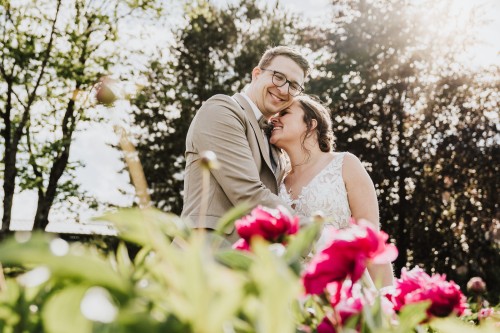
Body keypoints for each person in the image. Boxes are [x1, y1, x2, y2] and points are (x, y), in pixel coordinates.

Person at [181, 46, 310, 244]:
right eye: (278, 77)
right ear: (257, 74)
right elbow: (247, 193)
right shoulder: (221, 110)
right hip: (207, 251)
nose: (284, 90)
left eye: (293, 86)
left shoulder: (275, 143)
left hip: (250, 261)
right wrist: (312, 233)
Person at [269, 94, 395, 287]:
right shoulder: (275, 181)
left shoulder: (345, 164)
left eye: (284, 113)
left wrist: (387, 302)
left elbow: (372, 243)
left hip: (344, 290)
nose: (273, 119)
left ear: (310, 125)